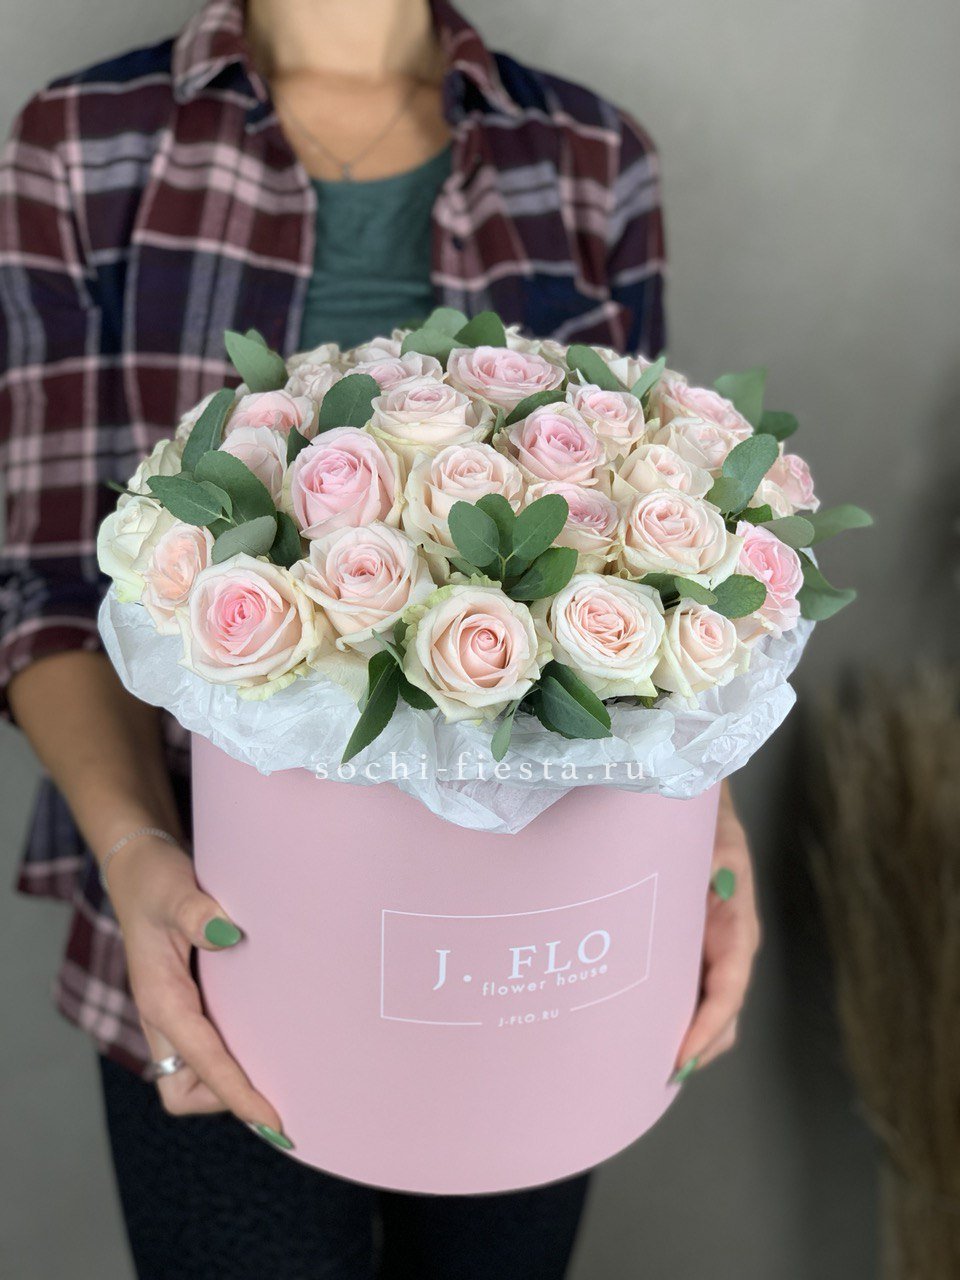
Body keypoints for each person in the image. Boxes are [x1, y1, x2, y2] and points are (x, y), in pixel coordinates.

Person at [0, 0, 760, 1276]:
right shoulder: (85, 143)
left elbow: (658, 545)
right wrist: (135, 855)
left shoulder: (589, 156)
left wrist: (708, 832)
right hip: (208, 928)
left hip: (535, 935)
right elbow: (51, 587)